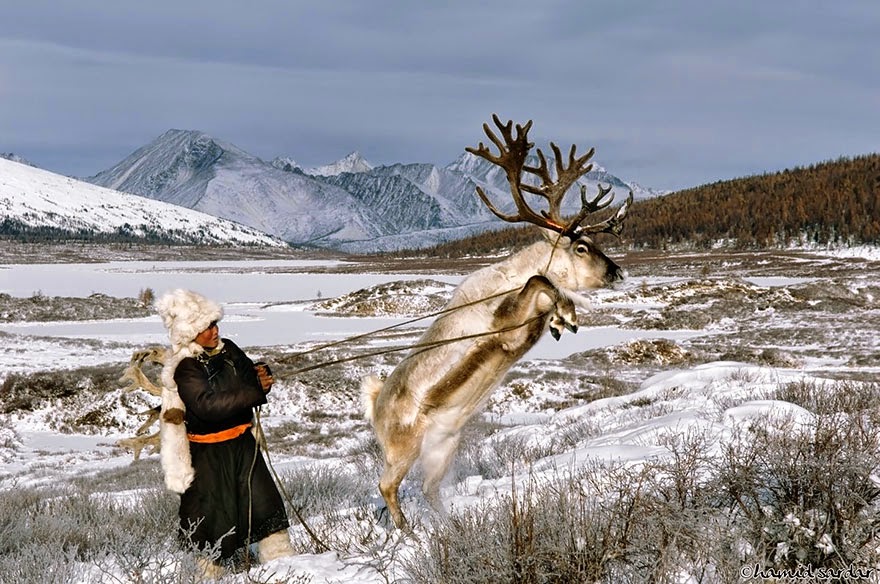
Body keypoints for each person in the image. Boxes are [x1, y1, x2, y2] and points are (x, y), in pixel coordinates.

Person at [155, 289, 293, 576]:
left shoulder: (228, 348)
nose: (215, 331)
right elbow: (208, 406)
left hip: (242, 447)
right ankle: (209, 578)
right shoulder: (185, 369)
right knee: (213, 525)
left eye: (215, 324)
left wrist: (260, 374)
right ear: (190, 333)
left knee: (266, 509)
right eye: (207, 327)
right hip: (209, 457)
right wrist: (254, 391)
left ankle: (284, 570)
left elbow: (245, 374)